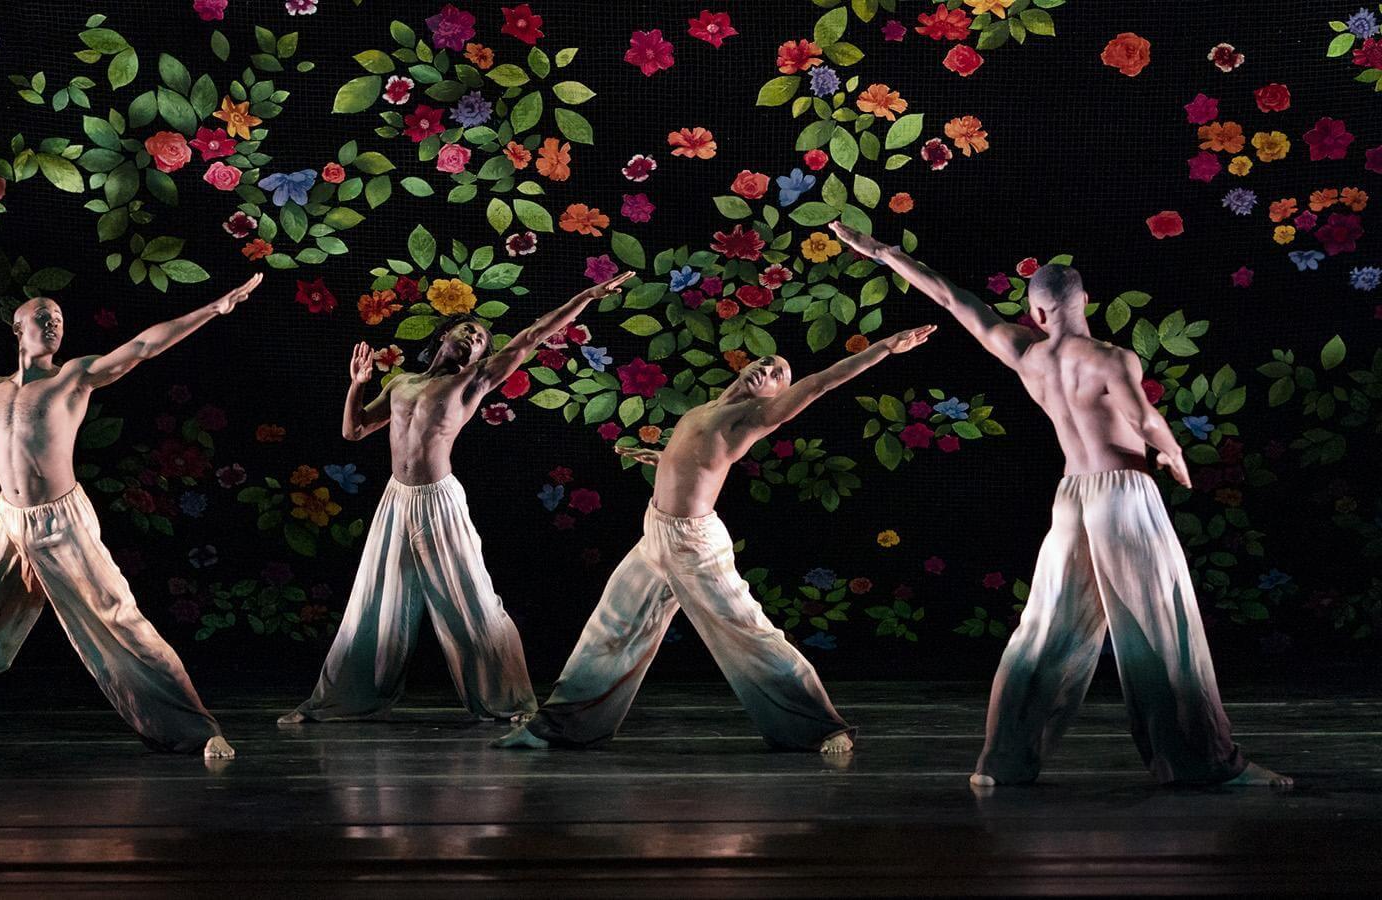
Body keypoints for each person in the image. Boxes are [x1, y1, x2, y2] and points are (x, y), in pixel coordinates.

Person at [827, 222, 1291, 788]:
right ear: (1084, 302)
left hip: (1071, 499)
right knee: (1161, 631)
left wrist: (879, 252)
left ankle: (1001, 765)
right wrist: (1172, 453)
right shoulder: (1112, 360)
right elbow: (1143, 419)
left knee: (1045, 630)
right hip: (1122, 495)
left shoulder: (1024, 352)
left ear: (1038, 313)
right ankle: (1206, 765)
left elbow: (950, 297)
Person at [0, 275, 263, 760]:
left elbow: (142, 346)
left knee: (119, 619)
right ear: (18, 329)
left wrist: (211, 309)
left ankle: (200, 730)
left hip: (63, 524)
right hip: (11, 523)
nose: (52, 324)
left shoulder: (73, 376)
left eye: (57, 319)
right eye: (41, 317)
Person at [495, 324, 937, 753]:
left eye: (778, 374)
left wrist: (882, 348)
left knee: (748, 632)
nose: (765, 370)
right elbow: (697, 462)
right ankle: (557, 729)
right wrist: (661, 458)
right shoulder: (707, 409)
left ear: (777, 396)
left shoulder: (753, 417)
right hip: (656, 535)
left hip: (693, 544)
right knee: (610, 629)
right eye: (765, 362)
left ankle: (820, 727)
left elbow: (821, 383)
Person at [279, 272, 637, 725]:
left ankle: (511, 702)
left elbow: (532, 336)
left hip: (438, 502)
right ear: (445, 334)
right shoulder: (402, 383)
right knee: (372, 602)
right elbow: (353, 431)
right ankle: (334, 701)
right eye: (469, 330)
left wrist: (585, 295)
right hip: (396, 501)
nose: (475, 339)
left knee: (473, 599)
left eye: (483, 340)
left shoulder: (473, 383)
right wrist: (358, 383)